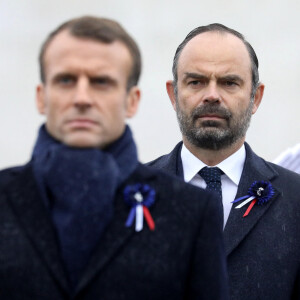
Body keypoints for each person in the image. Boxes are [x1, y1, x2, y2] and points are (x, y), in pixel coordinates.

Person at [0, 17, 228, 300]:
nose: (82, 98)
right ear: (41, 97)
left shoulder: (191, 212)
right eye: (66, 80)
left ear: (132, 100)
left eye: (101, 82)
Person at [148, 23, 300, 300]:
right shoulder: (124, 196)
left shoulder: (296, 199)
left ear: (256, 97)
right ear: (173, 95)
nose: (212, 95)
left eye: (229, 83)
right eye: (196, 81)